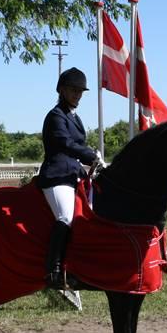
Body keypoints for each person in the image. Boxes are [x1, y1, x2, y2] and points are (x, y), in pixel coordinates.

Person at [37, 67, 104, 288]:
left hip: (73, 175)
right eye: (73, 90)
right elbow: (66, 144)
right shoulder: (56, 116)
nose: (77, 95)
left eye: (80, 91)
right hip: (56, 176)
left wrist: (93, 158)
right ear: (62, 90)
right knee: (66, 216)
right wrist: (89, 155)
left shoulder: (73, 117)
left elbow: (79, 145)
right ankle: (53, 270)